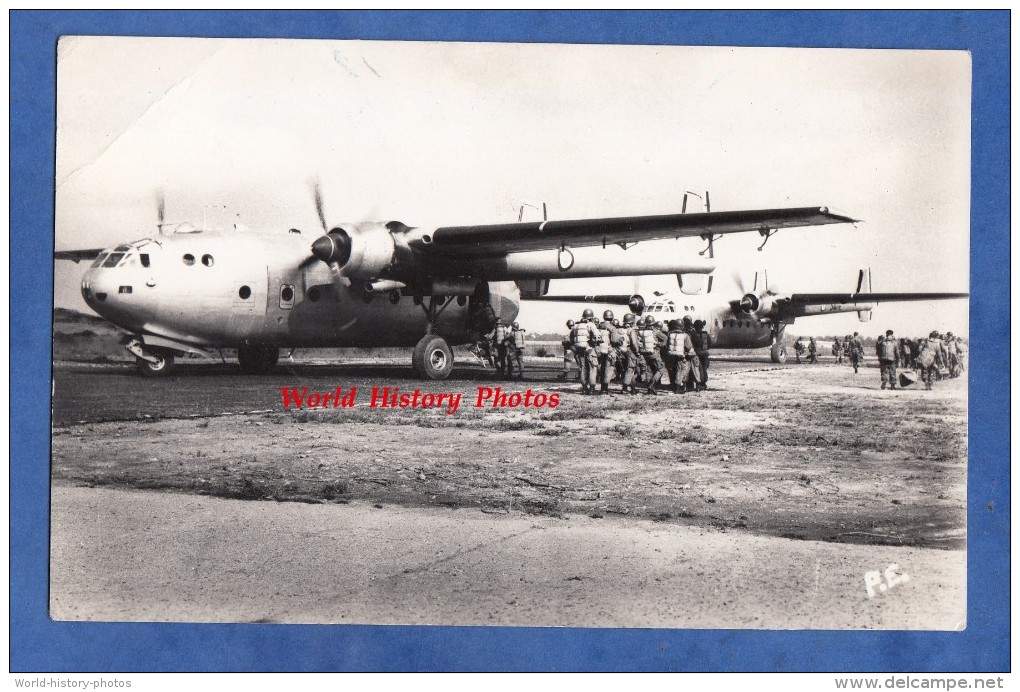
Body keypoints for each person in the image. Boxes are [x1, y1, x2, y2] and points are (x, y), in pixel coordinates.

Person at [570, 309, 602, 395]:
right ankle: (592, 388)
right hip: (589, 349)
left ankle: (584, 388)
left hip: (579, 350)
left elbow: (571, 338)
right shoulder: (591, 325)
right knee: (593, 368)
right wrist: (593, 342)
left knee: (582, 368)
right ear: (591, 317)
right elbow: (597, 336)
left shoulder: (576, 326)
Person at [635, 315, 664, 395]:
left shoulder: (642, 331)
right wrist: (659, 344)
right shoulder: (656, 332)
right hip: (654, 353)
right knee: (660, 370)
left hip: (644, 354)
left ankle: (649, 389)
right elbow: (666, 340)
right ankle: (652, 383)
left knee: (649, 370)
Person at [618, 313, 639, 395]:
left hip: (620, 352)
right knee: (630, 370)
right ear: (631, 322)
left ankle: (633, 389)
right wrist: (637, 352)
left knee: (628, 371)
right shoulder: (631, 330)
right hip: (629, 352)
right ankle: (625, 388)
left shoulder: (618, 330)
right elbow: (634, 343)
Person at [692, 319, 711, 391]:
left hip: (697, 353)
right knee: (704, 368)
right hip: (705, 353)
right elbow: (710, 344)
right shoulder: (706, 335)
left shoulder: (693, 335)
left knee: (697, 369)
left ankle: (699, 384)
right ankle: (704, 383)